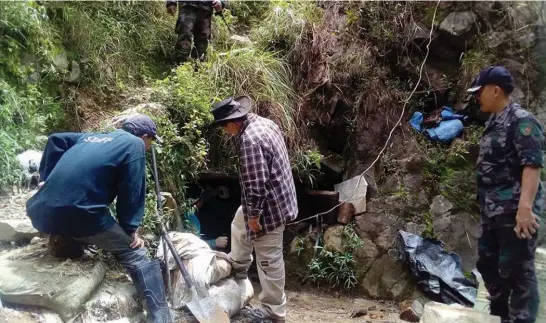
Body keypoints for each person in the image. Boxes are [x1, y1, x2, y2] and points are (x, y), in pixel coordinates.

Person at [26, 114, 173, 323]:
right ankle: (162, 318)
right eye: (151, 142)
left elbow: (56, 139)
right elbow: (131, 191)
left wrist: (46, 179)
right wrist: (131, 229)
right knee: (136, 254)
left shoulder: (90, 137)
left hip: (39, 211)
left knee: (77, 223)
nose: (149, 147)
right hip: (80, 214)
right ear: (145, 136)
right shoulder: (134, 145)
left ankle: (65, 239)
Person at [210, 96, 298, 323]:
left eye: (224, 128)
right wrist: (248, 215)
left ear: (231, 124)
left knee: (269, 259)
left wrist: (255, 216)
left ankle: (274, 312)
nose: (225, 133)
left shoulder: (250, 140)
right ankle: (238, 265)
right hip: (280, 196)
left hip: (270, 206)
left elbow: (255, 184)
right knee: (239, 224)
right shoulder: (265, 123)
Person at [469, 66, 543, 323]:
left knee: (518, 272)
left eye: (480, 92)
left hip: (514, 212)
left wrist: (525, 209)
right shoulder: (494, 122)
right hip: (493, 211)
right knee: (487, 263)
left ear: (496, 90)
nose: (477, 97)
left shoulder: (521, 120)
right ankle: (500, 316)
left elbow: (532, 165)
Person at [166, 0, 226, 64]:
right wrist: (171, 2)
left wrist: (221, 2)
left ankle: (198, 69)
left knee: (203, 41)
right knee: (185, 36)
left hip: (206, 9)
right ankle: (179, 67)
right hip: (188, 5)